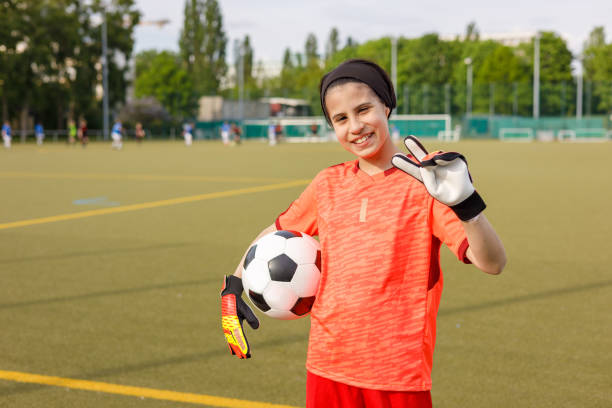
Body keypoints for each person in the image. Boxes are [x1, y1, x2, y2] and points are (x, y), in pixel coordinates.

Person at [220, 59, 507, 408]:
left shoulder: (426, 183)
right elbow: (276, 232)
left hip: (397, 375)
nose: (355, 126)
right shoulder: (327, 183)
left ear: (386, 106)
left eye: (364, 109)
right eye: (340, 119)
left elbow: (492, 262)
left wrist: (467, 206)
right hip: (326, 367)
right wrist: (233, 284)